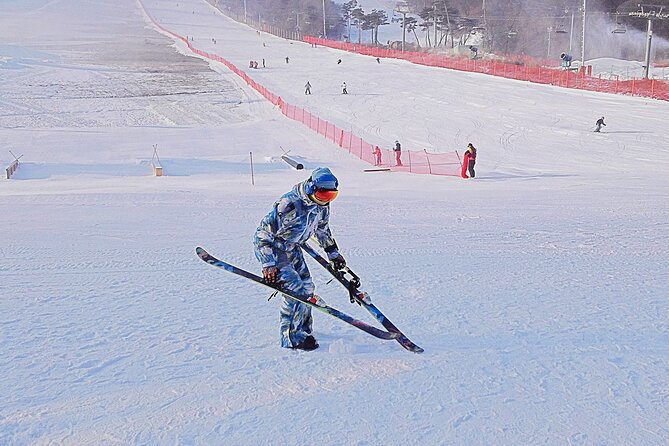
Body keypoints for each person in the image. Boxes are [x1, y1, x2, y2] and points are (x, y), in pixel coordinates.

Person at [254, 167, 346, 351]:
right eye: (323, 194)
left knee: (308, 288)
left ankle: (303, 330)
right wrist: (268, 264)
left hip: (293, 248)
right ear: (312, 188)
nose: (326, 199)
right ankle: (289, 337)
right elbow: (262, 234)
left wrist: (333, 254)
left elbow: (322, 230)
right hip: (276, 248)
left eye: (331, 196)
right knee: (294, 290)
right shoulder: (289, 204)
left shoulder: (322, 206)